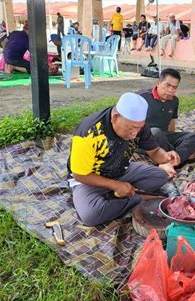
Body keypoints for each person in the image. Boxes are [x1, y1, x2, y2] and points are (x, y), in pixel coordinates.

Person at [67, 93, 181, 226]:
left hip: (120, 169)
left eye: (138, 128)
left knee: (160, 176)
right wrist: (116, 185)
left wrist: (166, 157)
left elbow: (154, 151)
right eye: (131, 128)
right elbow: (79, 174)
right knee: (91, 216)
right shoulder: (88, 132)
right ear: (115, 118)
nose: (134, 134)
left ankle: (118, 195)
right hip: (90, 178)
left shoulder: (138, 126)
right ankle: (137, 198)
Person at [138, 68, 195, 171]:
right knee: (155, 132)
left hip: (163, 135)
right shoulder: (142, 97)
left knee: (194, 136)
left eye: (174, 87)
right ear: (158, 83)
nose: (171, 90)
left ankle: (176, 159)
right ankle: (174, 157)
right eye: (167, 85)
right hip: (144, 138)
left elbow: (172, 122)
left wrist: (171, 139)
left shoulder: (174, 101)